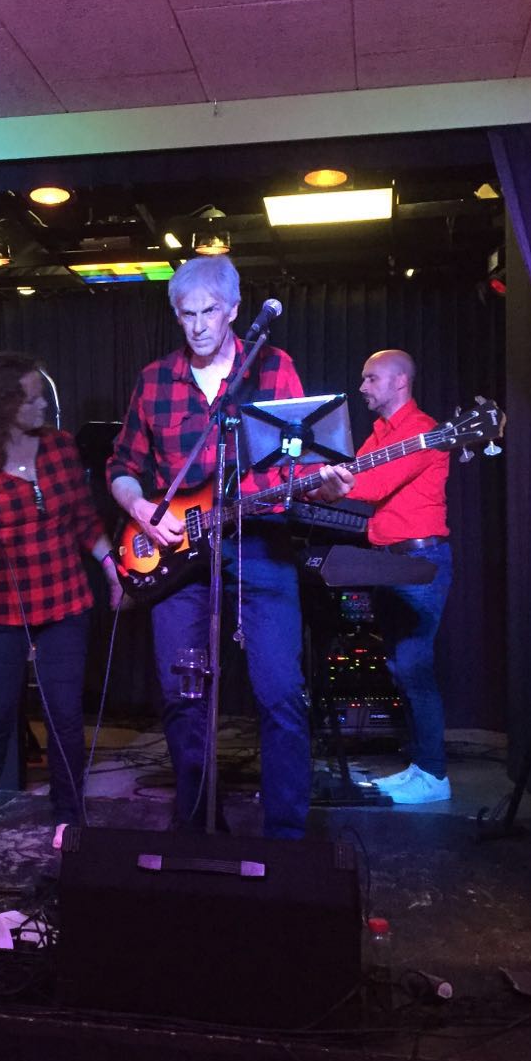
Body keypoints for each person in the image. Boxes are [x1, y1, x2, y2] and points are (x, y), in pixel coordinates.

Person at [108, 256, 352, 839]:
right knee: (182, 695)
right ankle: (197, 825)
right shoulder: (154, 380)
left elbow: (300, 464)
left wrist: (324, 480)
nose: (197, 326)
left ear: (235, 310)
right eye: (185, 314)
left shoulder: (274, 367)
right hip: (179, 556)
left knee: (281, 694)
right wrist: (139, 510)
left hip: (260, 546)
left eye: (208, 312)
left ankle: (285, 839)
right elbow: (121, 466)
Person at [0, 353, 122, 849]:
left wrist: (113, 570)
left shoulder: (61, 448)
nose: (42, 405)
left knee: (64, 713)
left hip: (64, 596)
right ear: (3, 404)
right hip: (1, 604)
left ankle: (68, 814)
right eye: (30, 398)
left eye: (41, 395)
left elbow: (85, 521)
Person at [348, 349, 453, 804]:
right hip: (389, 561)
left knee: (414, 667)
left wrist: (329, 479)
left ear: (399, 382)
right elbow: (353, 478)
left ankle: (435, 776)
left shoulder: (423, 431)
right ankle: (420, 767)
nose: (362, 387)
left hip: (419, 561)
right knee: (398, 667)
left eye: (371, 378)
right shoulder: (379, 434)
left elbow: (368, 486)